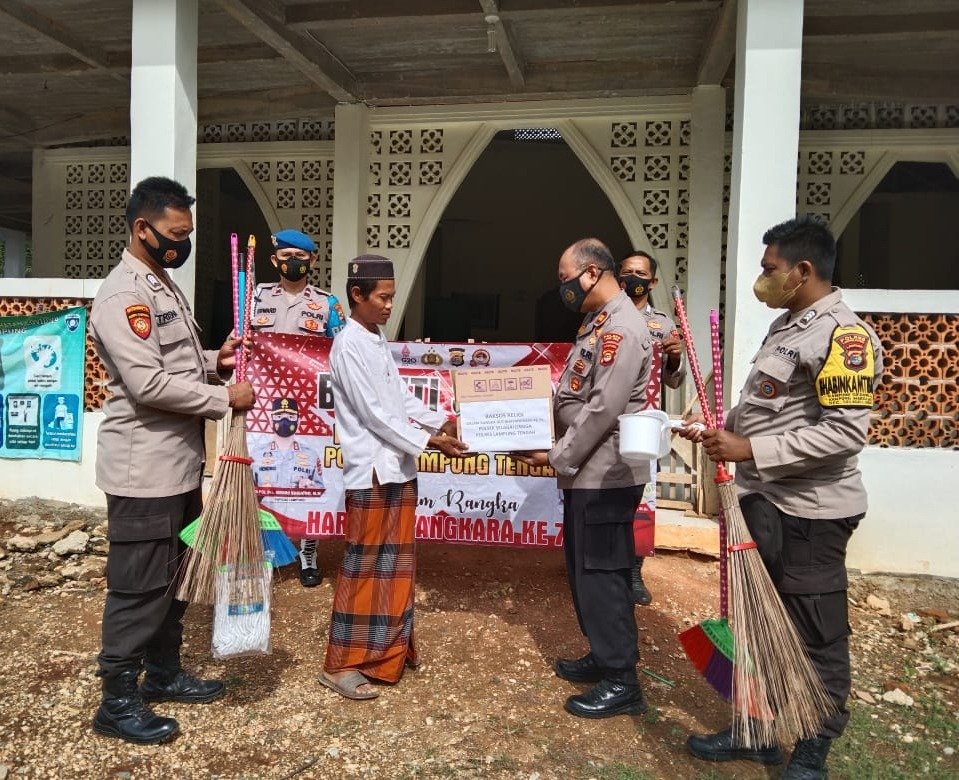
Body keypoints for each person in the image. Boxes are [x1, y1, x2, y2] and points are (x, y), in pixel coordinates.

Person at [679, 216, 882, 779]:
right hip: (765, 505)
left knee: (815, 630)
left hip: (812, 513)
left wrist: (749, 450)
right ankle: (759, 730)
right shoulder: (786, 327)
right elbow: (767, 405)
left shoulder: (844, 337)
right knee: (757, 620)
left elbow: (846, 432)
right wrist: (715, 425)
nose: (762, 278)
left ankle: (814, 744)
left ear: (804, 270)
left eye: (770, 268)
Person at [89, 176, 255, 745]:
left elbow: (176, 364)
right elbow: (146, 382)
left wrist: (215, 359)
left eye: (188, 233)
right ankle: (116, 699)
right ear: (143, 228)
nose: (183, 244)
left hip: (179, 465)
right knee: (138, 586)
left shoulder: (159, 284)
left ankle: (162, 674)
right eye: (175, 233)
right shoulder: (123, 294)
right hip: (144, 470)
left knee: (174, 578)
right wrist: (222, 397)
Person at [513, 238, 653, 719]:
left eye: (564, 277)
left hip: (605, 471)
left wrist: (556, 457)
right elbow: (570, 399)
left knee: (604, 574)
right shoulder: (596, 325)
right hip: (587, 472)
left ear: (591, 273)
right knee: (584, 570)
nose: (563, 288)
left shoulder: (621, 329)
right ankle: (603, 652)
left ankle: (622, 679)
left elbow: (602, 410)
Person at [320, 254, 468, 700]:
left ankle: (387, 652)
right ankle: (341, 663)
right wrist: (431, 442)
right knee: (365, 567)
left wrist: (442, 421)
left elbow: (400, 397)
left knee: (396, 566)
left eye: (392, 296)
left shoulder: (375, 337)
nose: (389, 305)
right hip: (370, 472)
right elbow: (376, 416)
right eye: (382, 297)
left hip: (397, 469)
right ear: (357, 295)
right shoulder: (347, 344)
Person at [250, 228, 345, 588]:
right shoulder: (255, 296)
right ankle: (266, 549)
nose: (293, 262)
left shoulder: (326, 304)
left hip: (308, 405)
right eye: (286, 256)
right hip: (262, 405)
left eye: (301, 257)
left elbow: (342, 349)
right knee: (264, 474)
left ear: (312, 261)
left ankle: (308, 551)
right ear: (274, 261)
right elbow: (240, 340)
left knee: (306, 477)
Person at [617, 250, 687, 606]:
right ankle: (604, 566)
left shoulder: (663, 324)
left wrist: (674, 356)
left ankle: (633, 571)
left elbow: (674, 382)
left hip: (643, 424)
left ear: (652, 282)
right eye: (626, 271)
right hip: (609, 421)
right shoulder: (604, 317)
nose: (632, 278)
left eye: (639, 273)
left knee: (641, 500)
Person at [251, 397, 324, 489]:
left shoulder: (311, 454)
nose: (284, 421)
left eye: (291, 417)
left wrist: (310, 486)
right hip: (264, 504)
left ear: (298, 421)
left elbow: (320, 490)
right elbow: (247, 490)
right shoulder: (256, 454)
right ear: (270, 421)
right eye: (278, 416)